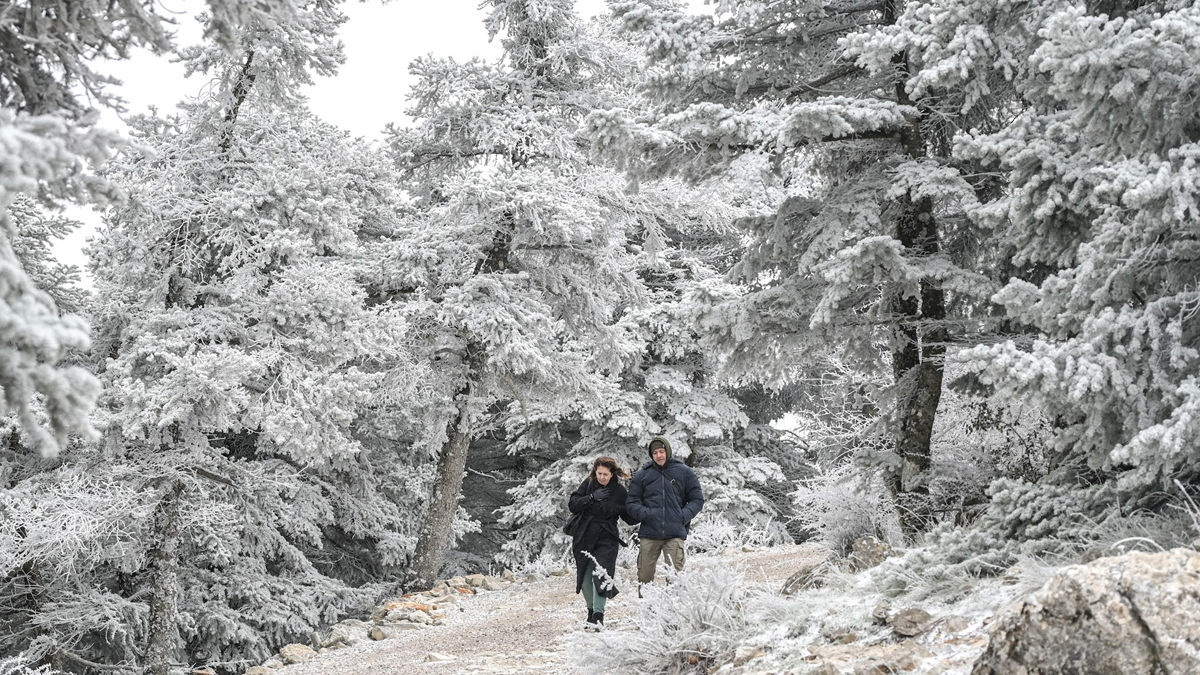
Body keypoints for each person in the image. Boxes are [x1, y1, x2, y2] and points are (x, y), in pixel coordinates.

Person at [625, 436, 704, 593]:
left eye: (662, 451)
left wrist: (682, 516)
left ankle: (674, 612)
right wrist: (646, 514)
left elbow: (697, 499)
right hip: (649, 533)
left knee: (675, 577)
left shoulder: (684, 472)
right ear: (651, 455)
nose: (659, 455)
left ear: (667, 451)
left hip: (674, 533)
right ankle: (646, 611)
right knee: (645, 577)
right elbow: (631, 502)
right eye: (655, 452)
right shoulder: (643, 475)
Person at [568, 456, 631, 630]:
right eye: (599, 473)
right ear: (595, 473)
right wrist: (591, 497)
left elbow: (628, 516)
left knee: (601, 574)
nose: (602, 477)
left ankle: (599, 615)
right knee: (585, 575)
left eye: (605, 474)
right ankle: (590, 614)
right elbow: (572, 505)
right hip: (584, 535)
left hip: (607, 537)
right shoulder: (588, 485)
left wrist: (639, 509)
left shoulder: (619, 492)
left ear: (612, 474)